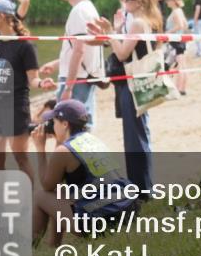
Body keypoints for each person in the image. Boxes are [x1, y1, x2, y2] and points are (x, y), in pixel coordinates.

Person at [86, 0, 161, 191]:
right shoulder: (147, 19)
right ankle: (142, 184)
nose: (124, 0)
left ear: (140, 1)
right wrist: (115, 29)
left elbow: (122, 54)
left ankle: (142, 187)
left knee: (134, 137)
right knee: (138, 133)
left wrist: (110, 32)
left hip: (133, 82)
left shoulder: (138, 22)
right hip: (141, 80)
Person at [31, 99, 137, 248]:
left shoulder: (63, 151)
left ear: (65, 124)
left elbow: (46, 185)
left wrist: (40, 149)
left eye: (54, 122)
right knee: (61, 191)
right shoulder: (92, 140)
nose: (52, 127)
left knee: (39, 196)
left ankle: (30, 248)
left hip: (102, 219)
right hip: (126, 209)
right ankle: (53, 247)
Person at [0, 0, 54, 182]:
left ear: (2, 17)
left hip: (15, 108)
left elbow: (33, 79)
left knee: (21, 158)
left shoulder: (25, 46)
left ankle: (30, 200)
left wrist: (42, 84)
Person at [54, 0, 103, 119]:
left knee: (69, 125)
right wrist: (56, 63)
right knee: (83, 123)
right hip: (84, 76)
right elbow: (81, 47)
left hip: (77, 79)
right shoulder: (88, 7)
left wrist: (68, 86)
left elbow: (79, 50)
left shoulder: (79, 11)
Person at [164, 0, 189, 96]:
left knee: (178, 65)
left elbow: (180, 26)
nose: (167, 2)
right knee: (182, 65)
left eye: (168, 0)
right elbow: (185, 25)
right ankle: (181, 88)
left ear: (173, 1)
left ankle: (179, 89)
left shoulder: (175, 12)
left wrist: (166, 33)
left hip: (175, 41)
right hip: (179, 40)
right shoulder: (179, 11)